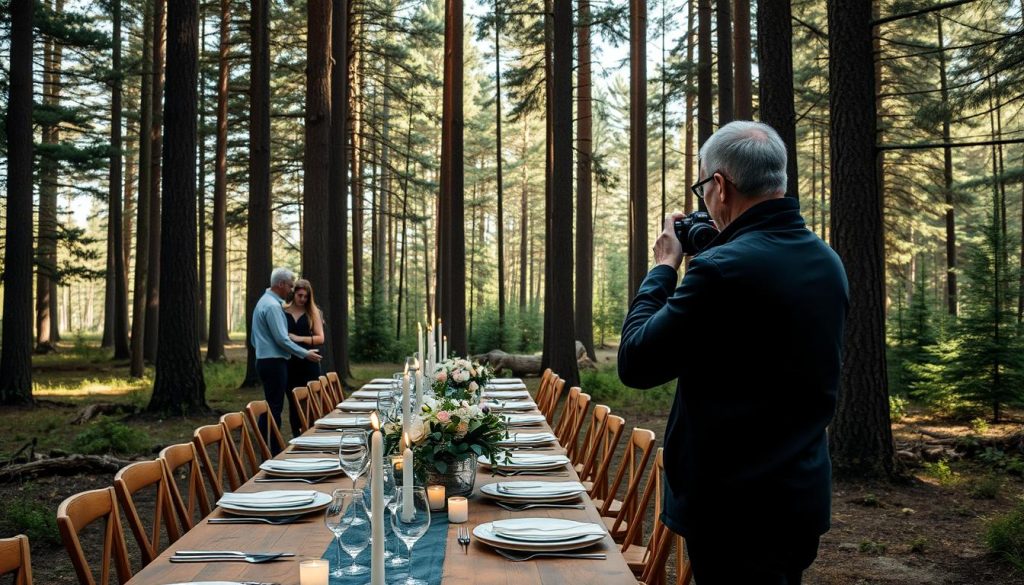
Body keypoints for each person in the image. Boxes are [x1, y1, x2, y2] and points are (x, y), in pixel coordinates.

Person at [617, 121, 849, 584]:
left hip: (731, 509)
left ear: (720, 185)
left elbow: (636, 362)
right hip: (798, 498)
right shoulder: (826, 260)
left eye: (704, 187)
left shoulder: (722, 270)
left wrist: (664, 267)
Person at [251, 267, 322, 453]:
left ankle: (268, 445)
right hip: (274, 362)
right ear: (281, 284)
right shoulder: (274, 307)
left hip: (266, 360)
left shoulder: (263, 302)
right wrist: (304, 353)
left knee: (272, 404)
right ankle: (273, 450)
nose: (291, 290)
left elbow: (253, 338)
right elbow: (282, 339)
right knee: (275, 407)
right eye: (290, 286)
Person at [284, 278, 325, 437]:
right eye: (300, 295)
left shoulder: (313, 312)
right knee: (293, 402)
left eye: (306, 296)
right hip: (289, 362)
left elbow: (321, 338)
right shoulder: (283, 311)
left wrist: (299, 338)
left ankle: (311, 435)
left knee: (309, 401)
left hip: (309, 361)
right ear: (293, 294)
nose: (302, 299)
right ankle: (296, 435)